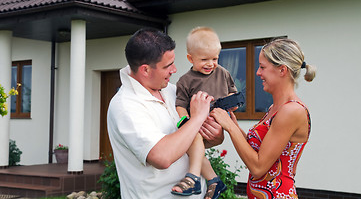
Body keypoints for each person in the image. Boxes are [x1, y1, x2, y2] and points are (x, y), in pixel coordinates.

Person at [107, 28, 223, 199]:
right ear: (145, 70)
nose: (174, 70)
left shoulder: (172, 91)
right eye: (168, 66)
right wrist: (197, 118)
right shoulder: (125, 106)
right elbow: (162, 157)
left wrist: (215, 136)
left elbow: (190, 141)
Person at [210, 38, 316, 198]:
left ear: (282, 70)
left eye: (262, 67)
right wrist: (234, 125)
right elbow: (258, 151)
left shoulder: (292, 111)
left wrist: (231, 129)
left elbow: (258, 167)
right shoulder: (275, 109)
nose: (258, 73)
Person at [171, 27, 237, 199]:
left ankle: (193, 178)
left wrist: (231, 103)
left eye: (215, 58)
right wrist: (185, 123)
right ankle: (213, 180)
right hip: (197, 126)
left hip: (217, 121)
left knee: (190, 144)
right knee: (191, 143)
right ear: (190, 58)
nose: (210, 63)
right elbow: (180, 105)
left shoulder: (222, 72)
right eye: (204, 59)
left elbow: (232, 92)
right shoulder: (185, 81)